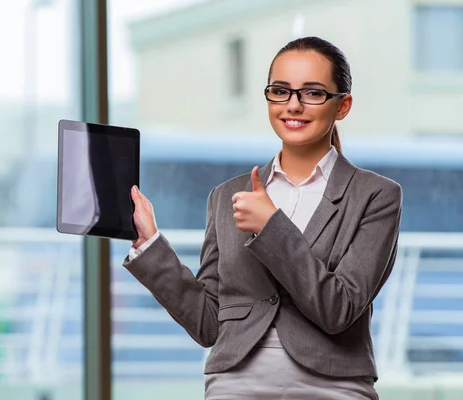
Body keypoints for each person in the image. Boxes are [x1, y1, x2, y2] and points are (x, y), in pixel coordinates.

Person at [124, 36, 402, 399]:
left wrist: (271, 227)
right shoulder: (226, 196)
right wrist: (151, 245)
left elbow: (339, 309)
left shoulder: (376, 195)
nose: (294, 105)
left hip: (333, 385)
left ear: (342, 105)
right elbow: (209, 323)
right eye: (280, 91)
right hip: (235, 384)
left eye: (313, 93)